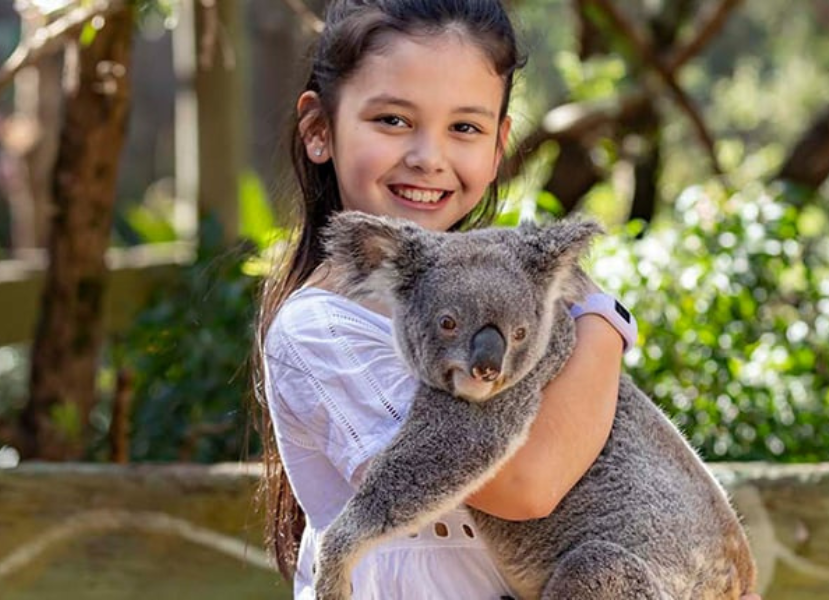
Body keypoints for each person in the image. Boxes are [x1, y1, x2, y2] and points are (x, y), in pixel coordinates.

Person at [253, 1, 762, 598]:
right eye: (392, 120)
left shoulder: (498, 285)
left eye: (463, 127)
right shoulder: (323, 329)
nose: (428, 157)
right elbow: (527, 485)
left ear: (498, 147)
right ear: (318, 130)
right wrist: (601, 321)